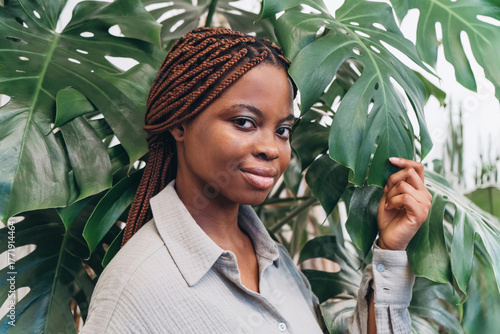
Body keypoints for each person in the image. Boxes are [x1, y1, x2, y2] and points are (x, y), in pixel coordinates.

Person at [80, 27, 432, 334]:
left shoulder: (276, 263)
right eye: (244, 122)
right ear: (179, 123)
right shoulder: (135, 288)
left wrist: (391, 250)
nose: (271, 149)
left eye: (282, 130)